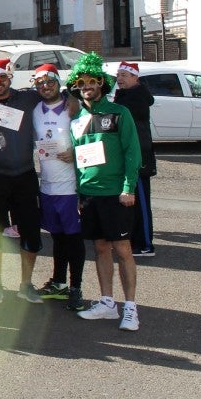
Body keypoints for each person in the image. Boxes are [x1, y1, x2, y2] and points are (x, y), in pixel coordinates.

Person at [0, 57, 54, 304]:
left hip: (25, 176)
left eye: (2, 77)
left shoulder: (26, 99)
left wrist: (71, 101)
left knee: (30, 232)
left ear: (9, 78)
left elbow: (53, 93)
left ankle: (26, 285)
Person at [69, 54, 143, 331]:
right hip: (90, 194)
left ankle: (131, 308)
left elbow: (132, 152)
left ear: (102, 83)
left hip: (116, 193)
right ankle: (107, 303)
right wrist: (80, 193)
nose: (87, 86)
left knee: (123, 249)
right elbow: (78, 160)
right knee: (100, 247)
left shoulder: (119, 112)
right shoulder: (77, 119)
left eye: (92, 81)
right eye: (81, 82)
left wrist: (128, 188)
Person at [29, 64, 85, 311]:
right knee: (58, 238)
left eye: (50, 82)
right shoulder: (35, 110)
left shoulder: (74, 107)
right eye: (40, 83)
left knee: (74, 239)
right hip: (48, 187)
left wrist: (76, 152)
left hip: (70, 187)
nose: (45, 86)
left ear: (58, 82)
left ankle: (76, 287)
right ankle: (59, 282)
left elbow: (91, 138)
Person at [113, 61, 157, 256]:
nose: (119, 79)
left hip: (139, 158)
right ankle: (132, 240)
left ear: (135, 78)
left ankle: (146, 244)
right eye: (118, 75)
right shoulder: (124, 95)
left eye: (124, 75)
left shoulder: (137, 97)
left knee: (140, 203)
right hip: (126, 156)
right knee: (129, 204)